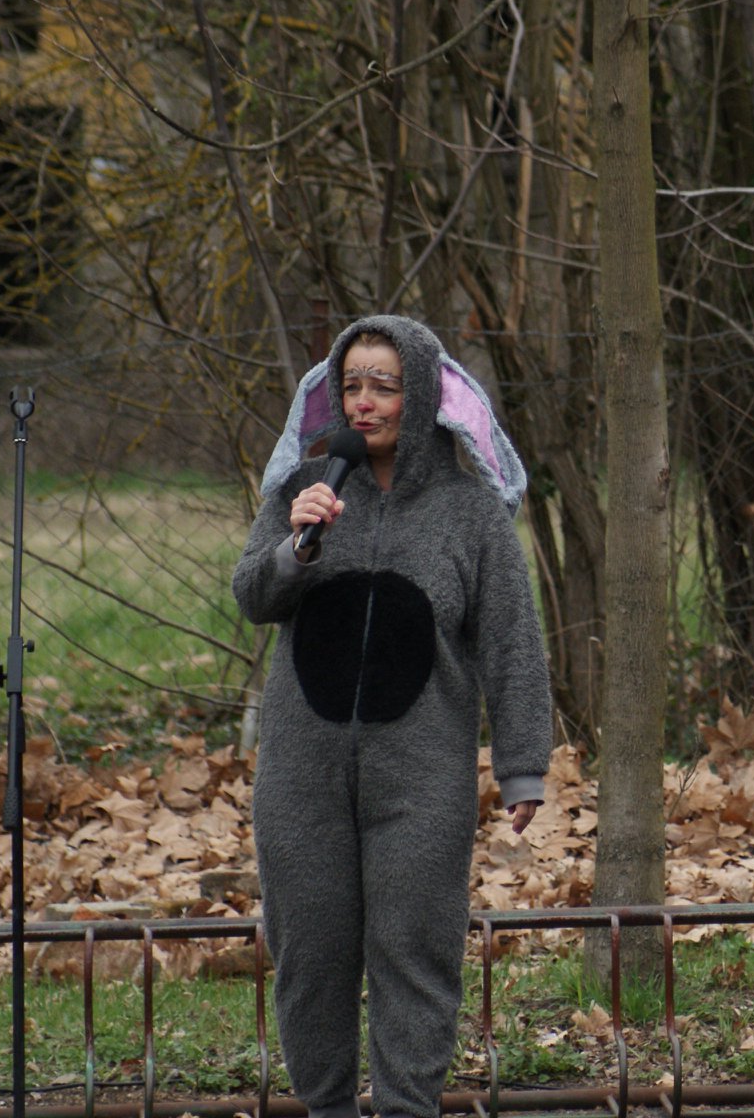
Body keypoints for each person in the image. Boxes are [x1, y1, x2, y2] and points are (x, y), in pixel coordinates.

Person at [233, 315, 551, 1118]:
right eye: (351, 386)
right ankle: (328, 1106)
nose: (364, 403)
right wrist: (297, 547)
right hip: (301, 778)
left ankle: (410, 1105)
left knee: (414, 951)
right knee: (311, 953)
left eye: (384, 385)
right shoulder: (303, 490)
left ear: (426, 396)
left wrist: (523, 766)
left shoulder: (471, 512)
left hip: (423, 781)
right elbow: (252, 598)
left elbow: (512, 639)